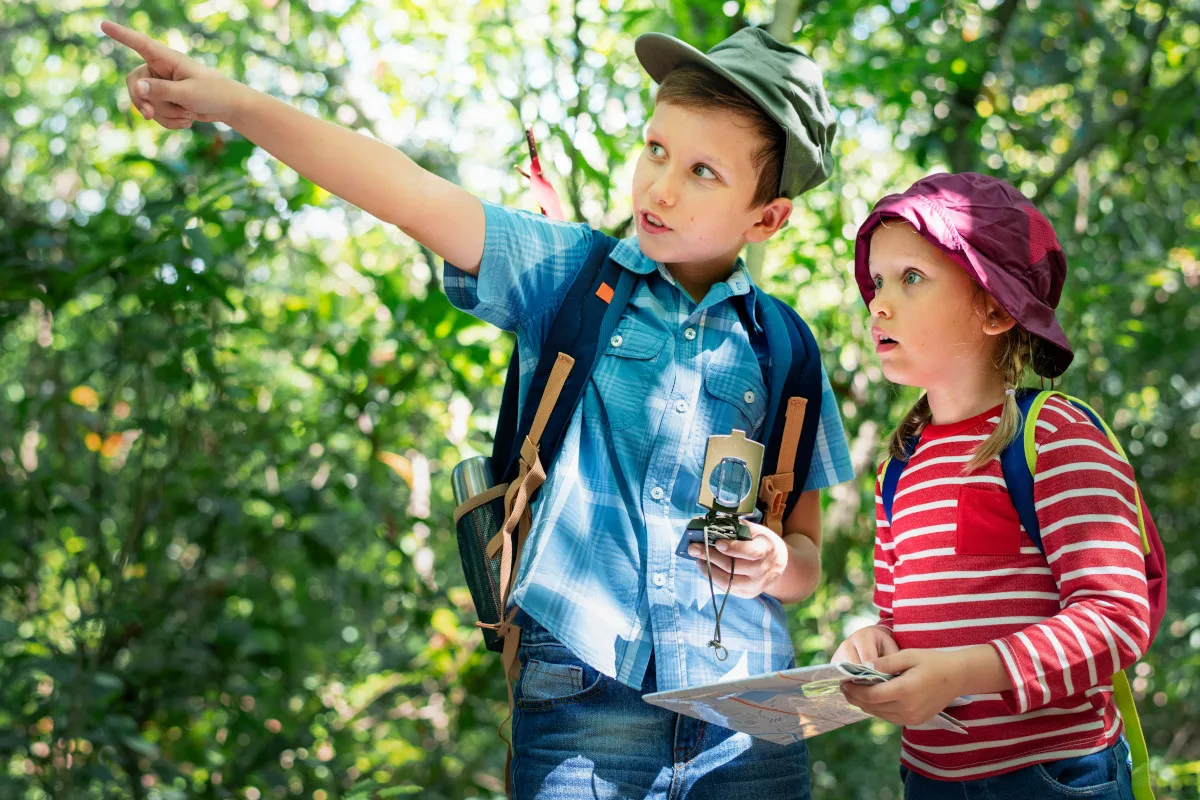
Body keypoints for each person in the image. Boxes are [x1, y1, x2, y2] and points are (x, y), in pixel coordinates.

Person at [102, 20, 854, 798]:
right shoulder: (572, 275)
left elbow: (804, 559)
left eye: (703, 172)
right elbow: (409, 192)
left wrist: (773, 563)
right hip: (583, 699)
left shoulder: (785, 347)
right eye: (656, 149)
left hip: (748, 722)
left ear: (767, 219)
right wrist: (233, 103)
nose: (659, 186)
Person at [834, 172, 1149, 798]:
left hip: (1054, 778)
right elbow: (898, 620)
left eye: (911, 278)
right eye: (876, 282)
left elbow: (1116, 620)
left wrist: (963, 672)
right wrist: (871, 643)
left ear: (996, 307)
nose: (878, 304)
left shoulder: (1053, 435)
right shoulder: (899, 463)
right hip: (929, 778)